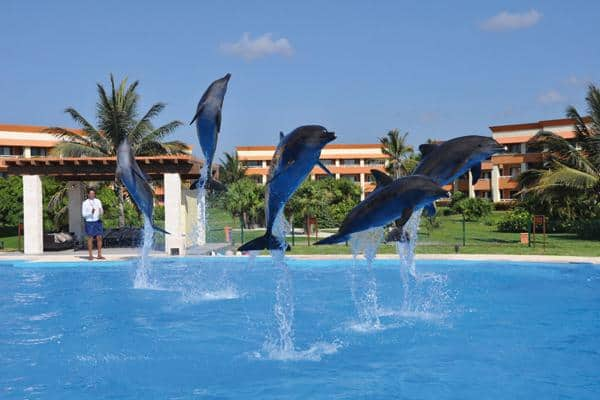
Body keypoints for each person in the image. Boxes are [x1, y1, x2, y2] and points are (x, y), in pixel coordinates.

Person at [81, 188, 105, 260]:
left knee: (99, 237)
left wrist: (101, 211)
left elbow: (101, 210)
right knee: (90, 238)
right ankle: (90, 255)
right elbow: (83, 215)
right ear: (88, 194)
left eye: (93, 193)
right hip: (89, 222)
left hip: (97, 221)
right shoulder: (85, 203)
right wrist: (90, 212)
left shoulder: (98, 201)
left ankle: (99, 255)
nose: (92, 195)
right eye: (91, 193)